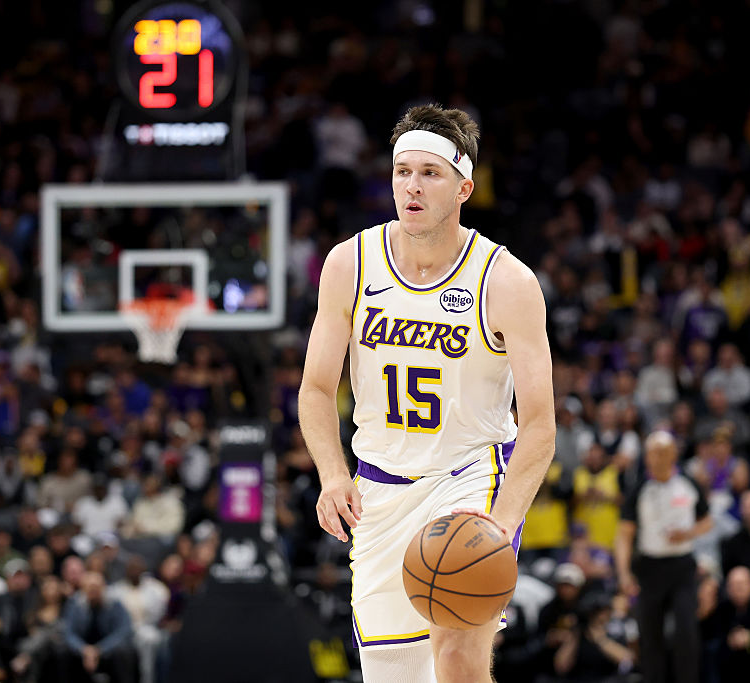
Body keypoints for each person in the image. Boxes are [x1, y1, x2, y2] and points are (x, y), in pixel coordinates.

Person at [298, 103, 555, 683]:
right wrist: (334, 476)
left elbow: (539, 424)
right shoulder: (350, 264)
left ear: (464, 187)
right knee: (395, 676)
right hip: (380, 491)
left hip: (469, 478)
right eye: (402, 171)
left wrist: (502, 527)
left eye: (430, 173)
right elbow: (315, 390)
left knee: (458, 661)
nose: (412, 186)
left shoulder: (506, 281)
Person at [615, 430, 712, 683]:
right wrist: (624, 574)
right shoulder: (639, 489)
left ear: (673, 455)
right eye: (651, 453)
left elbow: (707, 521)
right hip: (650, 567)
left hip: (682, 567)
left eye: (661, 452)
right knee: (650, 634)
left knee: (686, 630)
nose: (655, 458)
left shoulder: (688, 484)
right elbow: (624, 535)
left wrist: (688, 533)